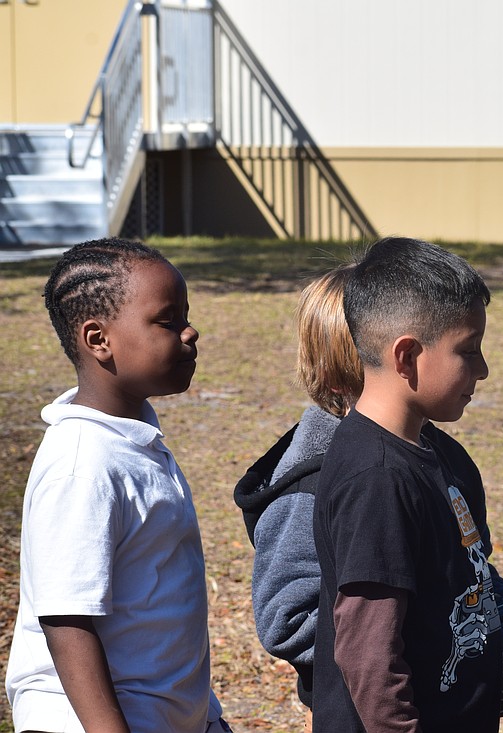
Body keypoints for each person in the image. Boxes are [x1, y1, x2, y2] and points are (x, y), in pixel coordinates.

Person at [5, 238, 227, 732]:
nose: (190, 332)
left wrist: (204, 716)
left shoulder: (134, 442)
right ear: (98, 339)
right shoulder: (82, 464)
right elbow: (67, 620)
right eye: (168, 320)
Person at [311, 236, 503, 732]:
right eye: (468, 350)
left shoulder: (438, 453)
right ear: (407, 356)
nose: (482, 370)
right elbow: (367, 654)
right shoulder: (376, 480)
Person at [233, 263, 363, 714]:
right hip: (356, 707)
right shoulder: (309, 487)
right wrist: (397, 641)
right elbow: (285, 620)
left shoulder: (429, 453)